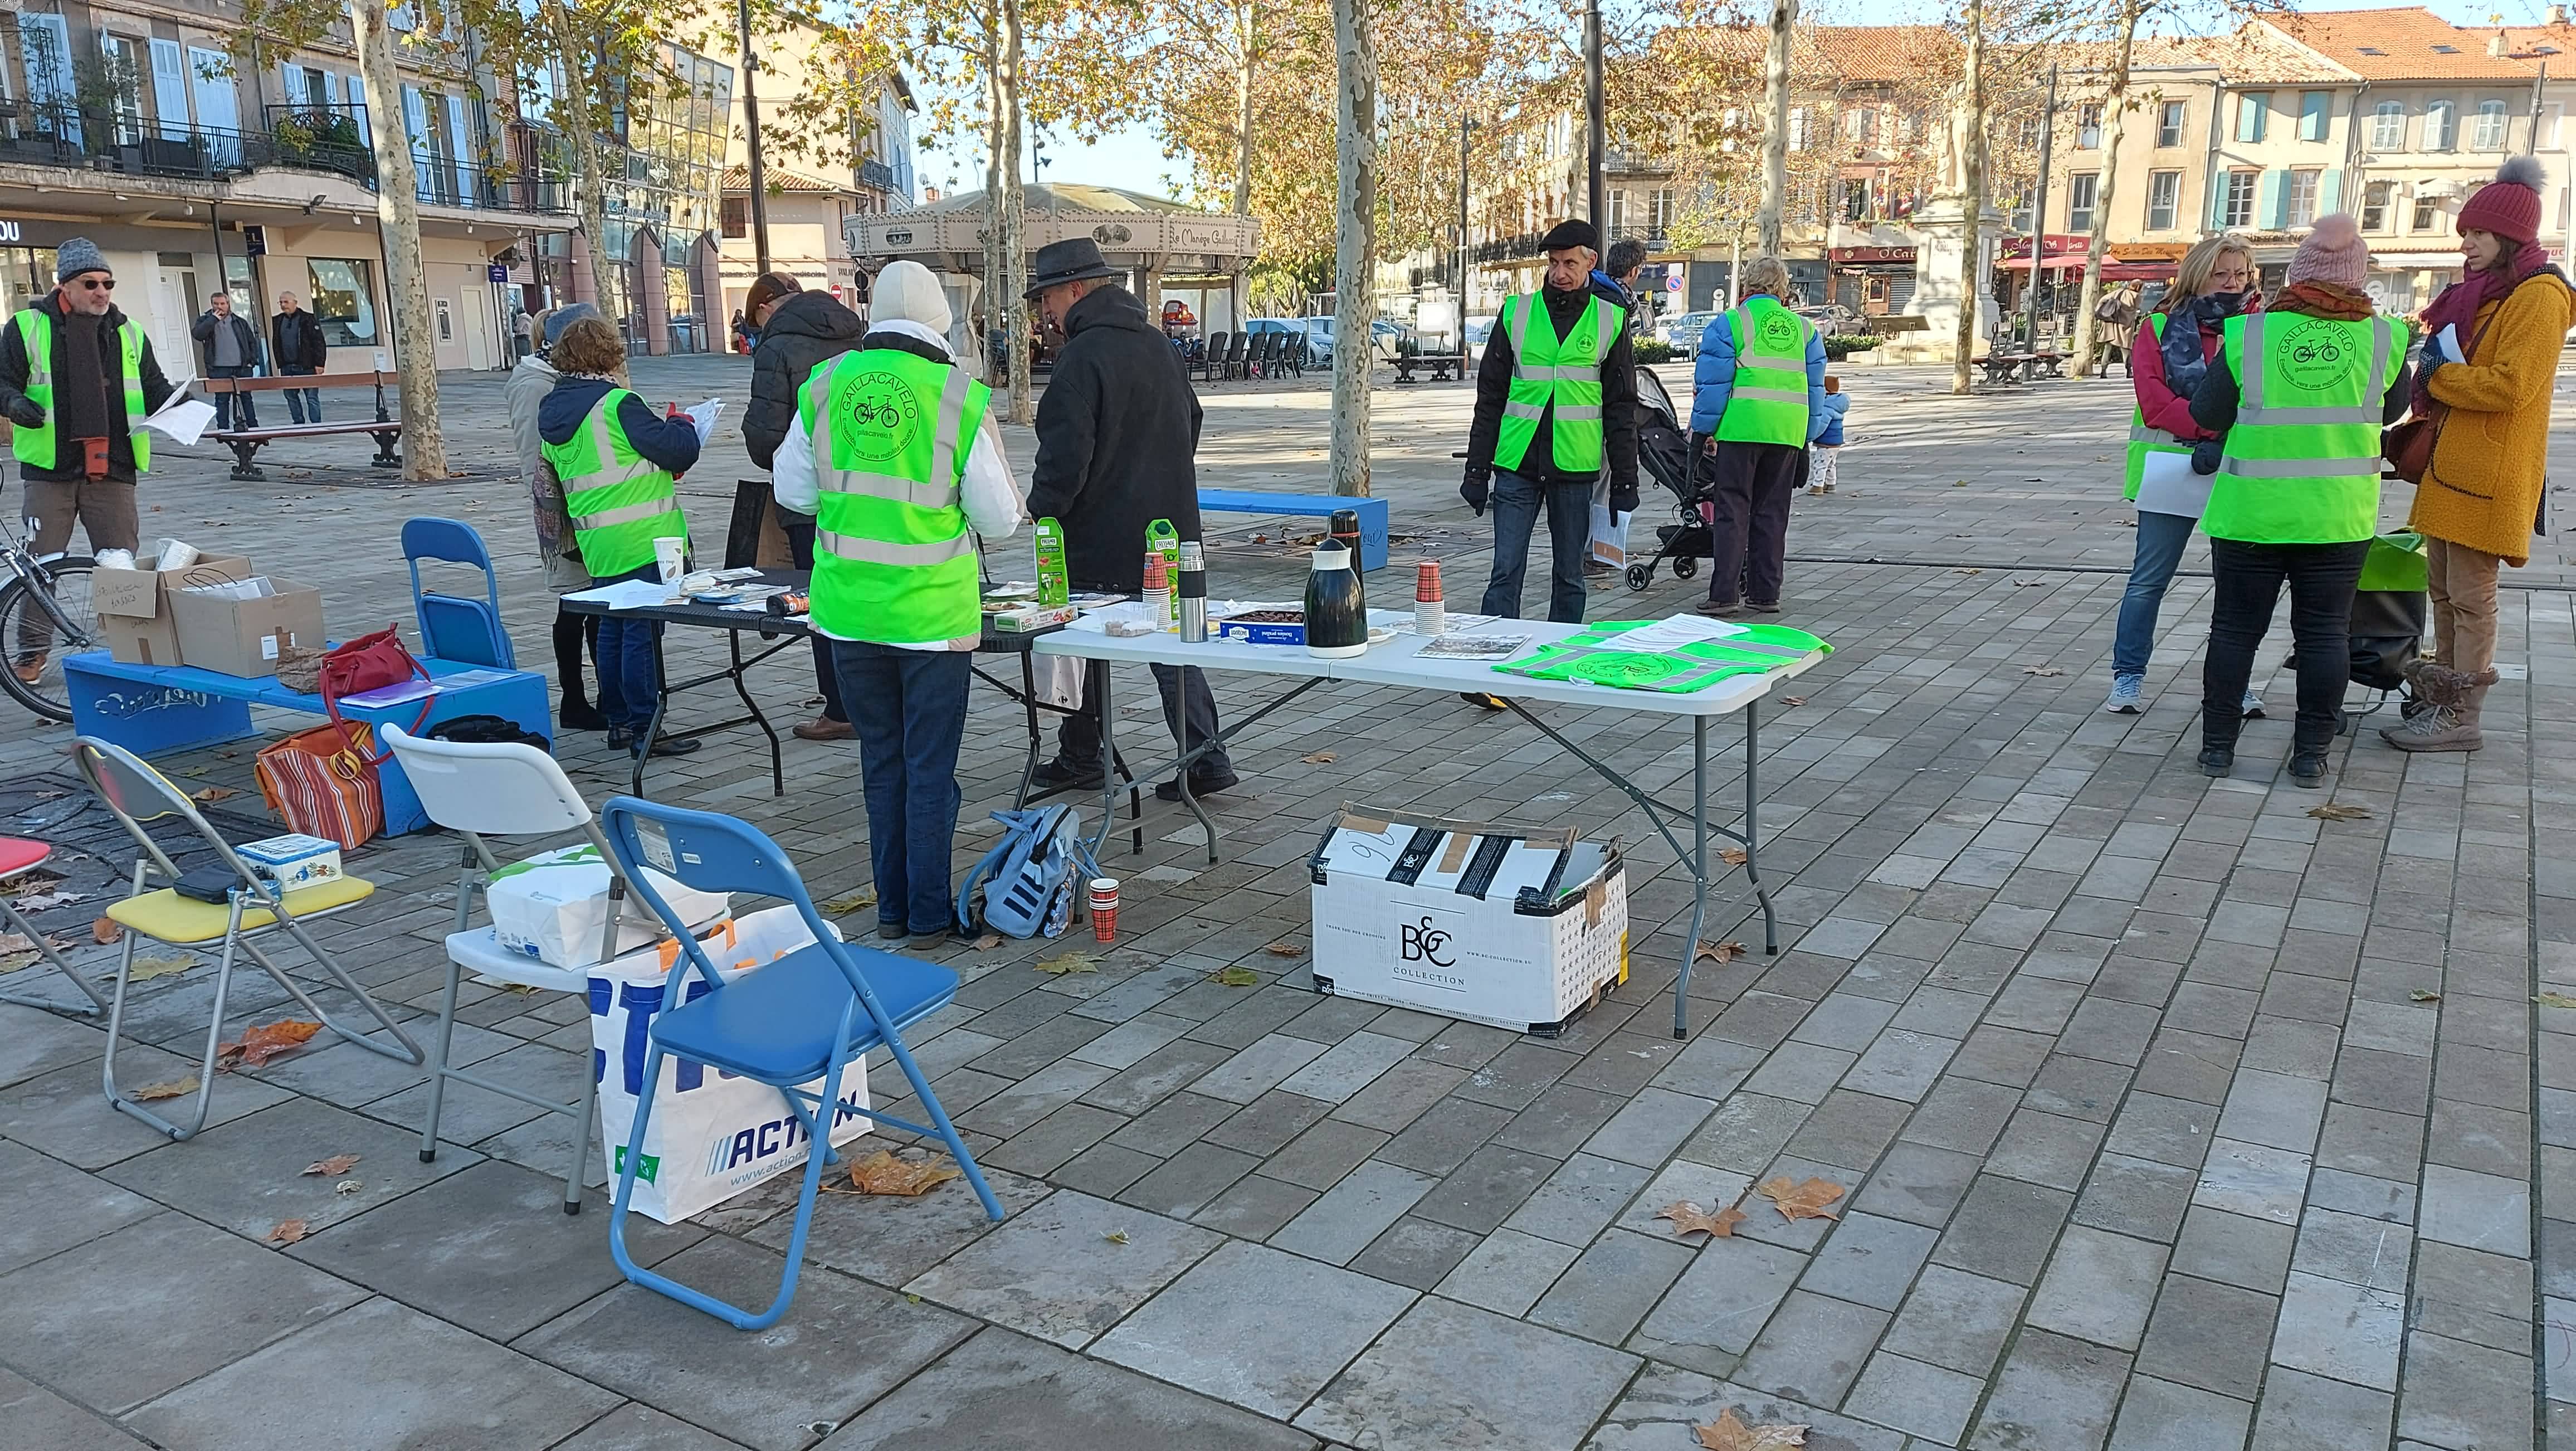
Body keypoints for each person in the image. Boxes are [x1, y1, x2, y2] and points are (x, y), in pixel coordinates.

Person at [773, 261, 1022, 939]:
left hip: (847, 611)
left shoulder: (824, 386)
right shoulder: (956, 397)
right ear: (942, 321)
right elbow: (1000, 519)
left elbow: (792, 493)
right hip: (931, 615)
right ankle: (929, 915)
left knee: (881, 762)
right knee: (929, 771)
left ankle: (891, 913)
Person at [2188, 214, 2409, 788]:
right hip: (2337, 516)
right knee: (2323, 634)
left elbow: (2205, 414)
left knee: (2235, 630)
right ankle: (2310, 753)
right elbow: (2390, 413)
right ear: (2357, 278)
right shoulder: (2383, 338)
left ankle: (2217, 750)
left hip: (2251, 514)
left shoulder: (2251, 334)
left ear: (2297, 274)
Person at [1021, 237, 1238, 801]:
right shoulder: (1156, 345)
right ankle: (1205, 754)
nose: (1045, 311)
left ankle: (1080, 753)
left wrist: (1042, 507)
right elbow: (1190, 419)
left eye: (1048, 297)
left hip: (1100, 534)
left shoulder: (1081, 357)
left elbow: (1065, 455)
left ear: (1075, 289)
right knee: (1171, 644)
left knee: (1085, 639)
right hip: (1169, 525)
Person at [2382, 155, 2570, 753]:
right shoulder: (2486, 294)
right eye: (2465, 231)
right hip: (2451, 469)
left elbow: (2512, 386)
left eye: (2480, 232)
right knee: (2442, 593)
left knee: (2471, 597)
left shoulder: (2540, 297)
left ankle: (2461, 717)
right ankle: (2439, 704)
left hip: (2488, 473)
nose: (2467, 243)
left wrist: (2437, 377)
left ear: (2512, 236)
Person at [2106, 233, 2268, 719]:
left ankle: (2234, 686)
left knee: (2236, 586)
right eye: (2221, 275)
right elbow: (2154, 403)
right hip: (2172, 467)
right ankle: (2128, 677)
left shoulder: (2260, 329)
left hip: (2235, 470)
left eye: (2240, 274)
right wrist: (2212, 424)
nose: (2233, 283)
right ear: (2197, 276)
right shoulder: (2157, 327)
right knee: (2149, 580)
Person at [0, 238, 174, 681]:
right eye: (91, 283)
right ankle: (32, 654)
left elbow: (154, 386)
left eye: (108, 283)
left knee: (121, 566)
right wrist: (13, 403)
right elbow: (3, 382)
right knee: (40, 567)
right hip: (50, 471)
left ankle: (131, 650)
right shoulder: (24, 327)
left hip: (113, 468)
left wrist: (179, 401)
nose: (102, 291)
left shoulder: (129, 331)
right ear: (66, 285)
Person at [1461, 218, 1639, 642]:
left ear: (1591, 262)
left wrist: (1625, 482)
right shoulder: (1516, 313)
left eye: (1570, 263)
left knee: (1570, 577)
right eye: (1554, 263)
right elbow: (1490, 399)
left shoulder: (1610, 321)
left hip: (1574, 469)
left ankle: (1557, 659)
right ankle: (1492, 657)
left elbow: (1621, 409)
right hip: (1517, 465)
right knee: (1505, 571)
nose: (1560, 273)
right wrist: (1475, 471)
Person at [536, 315, 702, 758]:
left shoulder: (551, 414)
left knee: (611, 630)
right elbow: (678, 449)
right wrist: (683, 423)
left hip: (599, 544)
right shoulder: (617, 405)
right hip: (647, 538)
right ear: (609, 354)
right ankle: (647, 727)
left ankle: (619, 722)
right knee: (641, 637)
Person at [741, 269, 868, 743]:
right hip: (860, 485)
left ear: (766, 307)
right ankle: (868, 696)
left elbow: (765, 434)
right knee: (858, 585)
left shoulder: (776, 347)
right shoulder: (855, 331)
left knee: (821, 596)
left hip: (806, 490)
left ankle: (838, 707)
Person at [1689, 255, 1825, 618]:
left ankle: (1724, 594)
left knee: (1733, 510)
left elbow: (1713, 386)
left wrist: (1703, 431)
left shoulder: (1730, 324)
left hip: (1742, 428)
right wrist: (1807, 436)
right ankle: (1766, 594)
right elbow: (1815, 390)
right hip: (1787, 431)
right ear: (1783, 289)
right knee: (1773, 512)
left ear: (1746, 285)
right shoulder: (1806, 331)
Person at [506, 303, 606, 731]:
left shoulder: (553, 380)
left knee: (590, 604)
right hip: (563, 506)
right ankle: (576, 699)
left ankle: (600, 696)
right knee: (577, 604)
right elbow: (537, 453)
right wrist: (563, 508)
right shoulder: (536, 385)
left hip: (579, 499)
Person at [1584, 237, 1651, 578]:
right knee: (1599, 481)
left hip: (1589, 403)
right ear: (1636, 270)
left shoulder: (1598, 291)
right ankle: (1592, 552)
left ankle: (1590, 551)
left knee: (1596, 480)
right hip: (1600, 405)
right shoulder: (1613, 301)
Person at [191, 290, 261, 432]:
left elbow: (251, 342)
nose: (220, 307)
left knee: (246, 398)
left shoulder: (239, 322)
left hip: (242, 367)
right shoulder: (205, 320)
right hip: (219, 368)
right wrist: (213, 320)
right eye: (216, 304)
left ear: (228, 304)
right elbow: (198, 335)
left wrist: (251, 361)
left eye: (223, 304)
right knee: (222, 400)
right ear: (212, 305)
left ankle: (253, 426)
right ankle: (223, 428)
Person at [270, 290, 327, 425]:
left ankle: (316, 424)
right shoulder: (278, 320)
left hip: (306, 366)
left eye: (286, 302)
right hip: (287, 367)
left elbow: (319, 342)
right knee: (291, 396)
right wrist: (280, 364)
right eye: (281, 302)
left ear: (295, 303)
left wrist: (320, 363)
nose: (283, 305)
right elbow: (276, 342)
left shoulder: (307, 319)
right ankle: (298, 422)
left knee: (311, 397)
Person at [1808, 374, 1848, 495]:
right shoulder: (1838, 405)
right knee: (1831, 464)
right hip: (1836, 442)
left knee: (1820, 464)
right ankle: (1831, 484)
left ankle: (1818, 485)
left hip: (1827, 442)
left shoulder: (1827, 407)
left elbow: (1821, 425)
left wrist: (1811, 436)